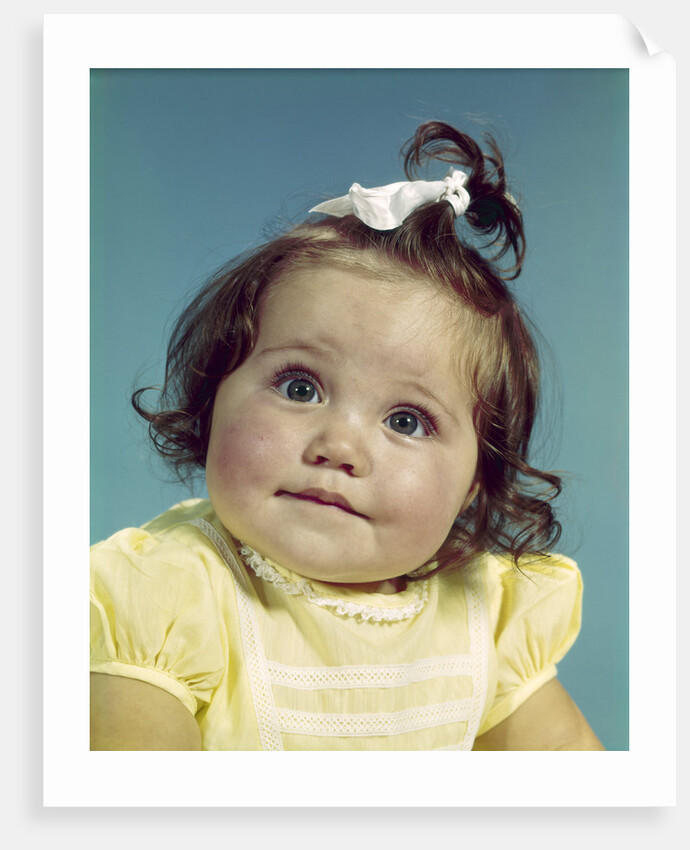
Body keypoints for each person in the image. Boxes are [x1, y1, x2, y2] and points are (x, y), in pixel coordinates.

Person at [90, 120, 604, 751]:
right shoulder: (164, 599)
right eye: (299, 387)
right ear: (213, 391)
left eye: (406, 421)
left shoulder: (489, 620)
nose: (339, 446)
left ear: (474, 484)